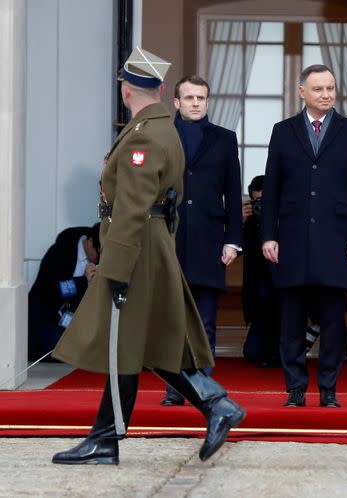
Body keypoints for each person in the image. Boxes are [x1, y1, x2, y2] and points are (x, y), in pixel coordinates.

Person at [51, 48, 245, 465]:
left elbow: (132, 207)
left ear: (125, 90)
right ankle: (110, 436)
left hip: (136, 249)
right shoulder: (159, 129)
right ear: (159, 90)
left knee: (134, 341)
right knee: (140, 342)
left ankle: (213, 406)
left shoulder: (144, 135)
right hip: (149, 246)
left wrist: (116, 265)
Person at [261, 64, 347, 408]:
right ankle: (295, 388)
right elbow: (273, 187)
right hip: (292, 238)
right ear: (302, 92)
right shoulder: (283, 131)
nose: (326, 95)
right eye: (319, 89)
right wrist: (268, 235)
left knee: (332, 320)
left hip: (336, 239)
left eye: (330, 88)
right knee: (291, 319)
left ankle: (328, 389)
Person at [162, 75, 243, 406]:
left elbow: (233, 194)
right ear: (177, 102)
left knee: (205, 320)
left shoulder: (224, 139)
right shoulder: (163, 137)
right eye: (190, 97)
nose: (196, 103)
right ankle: (174, 389)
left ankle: (204, 390)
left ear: (208, 102)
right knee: (172, 320)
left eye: (202, 98)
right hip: (169, 237)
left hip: (210, 240)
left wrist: (233, 240)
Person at [28, 223, 101, 361]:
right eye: (99, 252)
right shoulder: (60, 251)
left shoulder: (96, 259)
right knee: (68, 349)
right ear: (90, 241)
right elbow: (51, 291)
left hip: (70, 322)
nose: (100, 258)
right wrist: (83, 282)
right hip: (45, 319)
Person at [241, 175, 281, 367]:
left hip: (281, 292)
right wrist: (241, 222)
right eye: (258, 202)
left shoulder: (284, 220)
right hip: (258, 296)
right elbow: (234, 250)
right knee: (252, 353)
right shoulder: (248, 223)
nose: (262, 207)